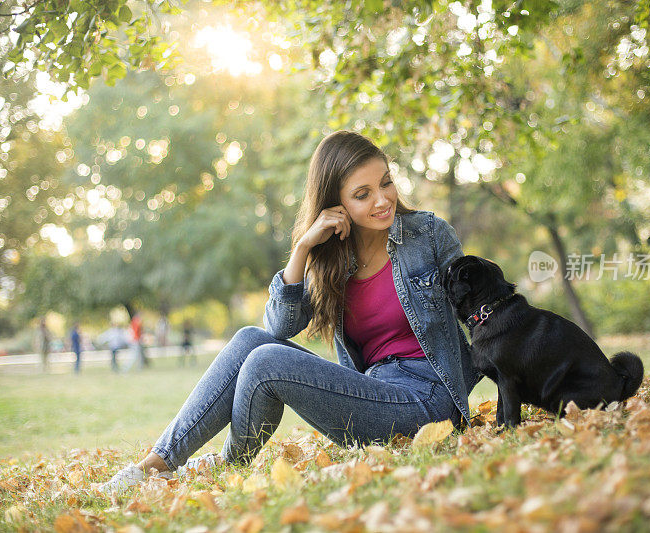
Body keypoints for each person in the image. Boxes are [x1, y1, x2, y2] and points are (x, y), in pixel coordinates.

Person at [99, 130, 479, 493]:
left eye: (386, 182)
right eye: (363, 194)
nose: (382, 200)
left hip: (427, 401)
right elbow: (278, 326)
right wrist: (303, 249)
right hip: (373, 390)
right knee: (251, 339)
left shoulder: (427, 234)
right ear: (336, 203)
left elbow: (478, 311)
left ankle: (227, 461)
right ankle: (156, 463)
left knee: (266, 363)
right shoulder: (334, 257)